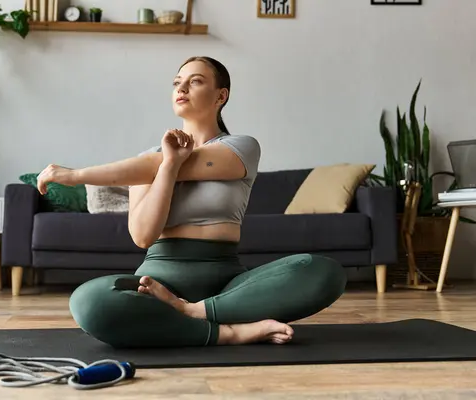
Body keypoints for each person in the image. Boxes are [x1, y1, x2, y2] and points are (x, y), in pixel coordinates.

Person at [36, 56, 347, 348]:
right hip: (155, 284)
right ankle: (229, 332)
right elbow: (143, 236)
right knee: (88, 302)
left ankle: (195, 312)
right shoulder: (148, 161)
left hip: (227, 284)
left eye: (195, 81)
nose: (181, 88)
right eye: (177, 82)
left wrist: (76, 174)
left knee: (322, 271)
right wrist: (169, 165)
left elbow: (170, 165)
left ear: (220, 96)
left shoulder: (241, 147)